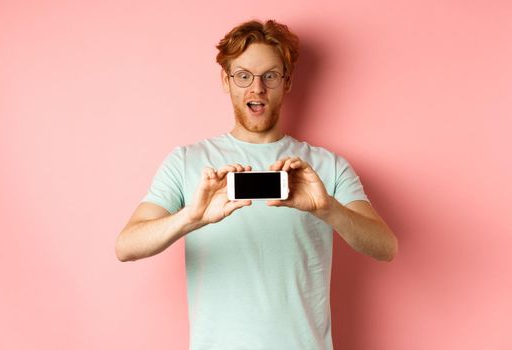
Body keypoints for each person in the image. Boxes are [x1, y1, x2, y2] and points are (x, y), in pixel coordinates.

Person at [116, 19, 398, 350]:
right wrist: (189, 218)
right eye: (243, 76)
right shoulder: (186, 161)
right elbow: (126, 246)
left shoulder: (327, 166)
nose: (257, 88)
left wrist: (328, 209)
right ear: (226, 80)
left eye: (270, 76)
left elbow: (385, 247)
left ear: (287, 81)